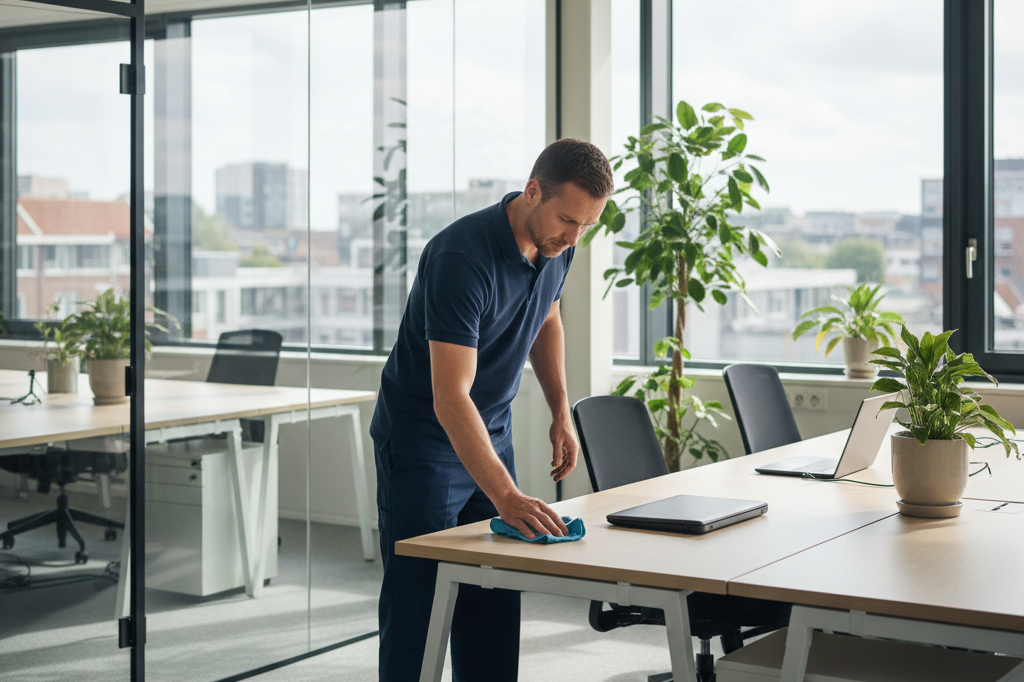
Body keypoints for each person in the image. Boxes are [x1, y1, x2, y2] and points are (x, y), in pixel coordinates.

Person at [370, 137, 613, 682]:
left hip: (491, 431)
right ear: (533, 191)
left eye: (587, 226)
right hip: (423, 440)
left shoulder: (558, 245)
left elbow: (547, 318)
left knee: (494, 592)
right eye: (568, 220)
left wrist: (559, 411)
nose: (574, 237)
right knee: (419, 603)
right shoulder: (461, 258)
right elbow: (450, 396)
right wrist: (506, 495)